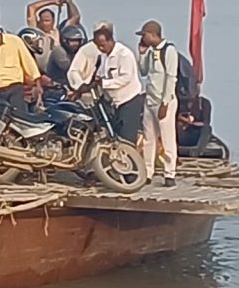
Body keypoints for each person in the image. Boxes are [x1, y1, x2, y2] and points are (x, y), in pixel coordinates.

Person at [68, 22, 145, 142]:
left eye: (102, 45)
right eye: (98, 46)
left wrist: (104, 83)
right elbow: (99, 75)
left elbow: (126, 78)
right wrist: (84, 88)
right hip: (113, 102)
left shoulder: (124, 54)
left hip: (129, 100)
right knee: (113, 134)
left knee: (127, 138)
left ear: (110, 40)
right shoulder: (104, 56)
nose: (100, 48)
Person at [135, 20, 181, 185]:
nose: (143, 38)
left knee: (168, 138)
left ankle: (169, 173)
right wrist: (141, 54)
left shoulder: (169, 51)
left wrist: (165, 103)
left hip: (164, 101)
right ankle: (148, 171)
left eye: (145, 35)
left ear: (153, 35)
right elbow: (143, 72)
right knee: (149, 138)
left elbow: (171, 78)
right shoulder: (151, 52)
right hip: (150, 100)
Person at [0, 19, 40, 122]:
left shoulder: (14, 41)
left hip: (14, 90)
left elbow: (29, 63)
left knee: (19, 120)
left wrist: (38, 85)